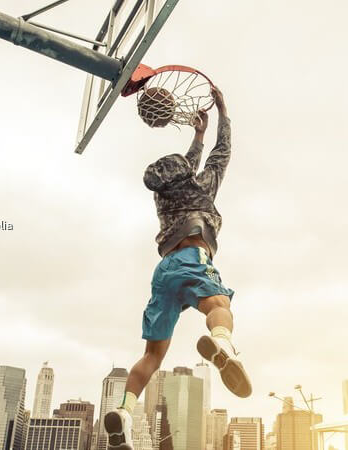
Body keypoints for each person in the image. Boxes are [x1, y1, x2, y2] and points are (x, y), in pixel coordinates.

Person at [104, 86, 251, 450]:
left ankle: (123, 412)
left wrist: (197, 136)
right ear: (187, 172)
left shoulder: (161, 192)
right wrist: (222, 113)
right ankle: (223, 345)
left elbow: (184, 165)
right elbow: (222, 154)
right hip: (191, 257)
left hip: (163, 271)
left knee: (152, 356)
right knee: (219, 305)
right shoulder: (203, 186)